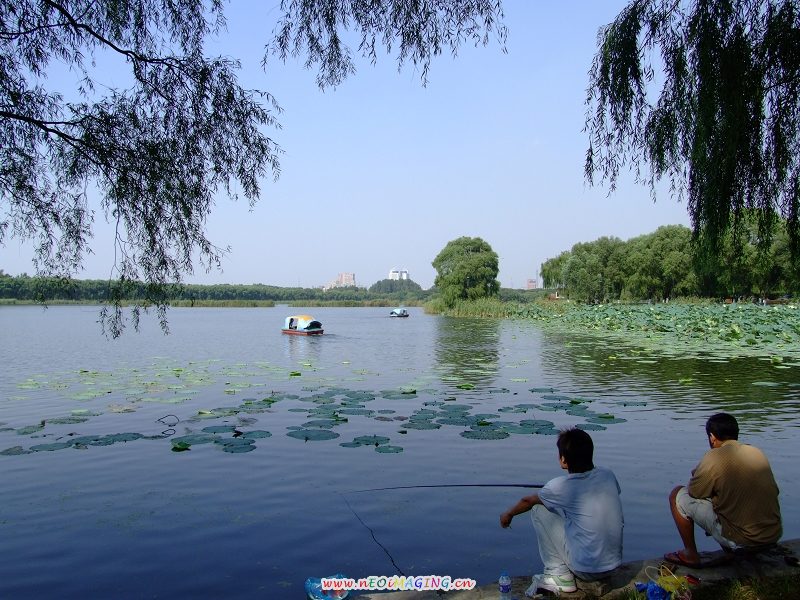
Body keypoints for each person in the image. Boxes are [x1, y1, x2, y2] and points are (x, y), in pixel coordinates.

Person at [500, 428, 624, 597]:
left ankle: (558, 574)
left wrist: (508, 515)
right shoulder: (608, 475)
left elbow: (527, 501)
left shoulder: (559, 486)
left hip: (586, 570)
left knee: (539, 509)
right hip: (613, 565)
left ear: (563, 460)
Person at [665, 412, 782, 567]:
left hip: (743, 539)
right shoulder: (756, 452)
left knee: (677, 495)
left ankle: (690, 554)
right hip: (772, 534)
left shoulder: (714, 456)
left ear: (712, 437)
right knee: (725, 499)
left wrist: (698, 474)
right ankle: (731, 552)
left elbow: (695, 492)